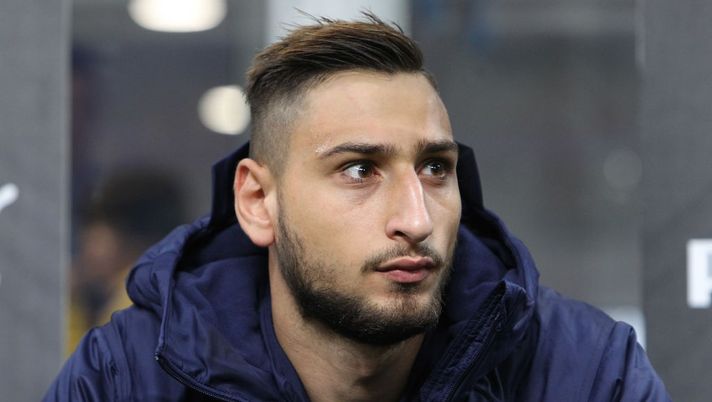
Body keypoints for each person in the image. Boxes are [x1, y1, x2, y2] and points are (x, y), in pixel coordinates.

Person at [44, 13, 670, 401]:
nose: (416, 220)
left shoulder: (583, 371)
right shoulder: (129, 379)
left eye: (435, 168)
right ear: (258, 202)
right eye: (359, 170)